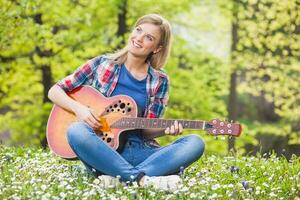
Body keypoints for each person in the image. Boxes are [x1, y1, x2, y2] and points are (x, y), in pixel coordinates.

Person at [48, 13, 205, 191]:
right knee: (76, 130)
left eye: (148, 37)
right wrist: (79, 109)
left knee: (195, 143)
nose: (139, 38)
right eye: (138, 30)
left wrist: (165, 129)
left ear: (157, 48)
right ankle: (143, 180)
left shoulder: (160, 80)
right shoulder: (102, 64)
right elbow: (55, 91)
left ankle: (119, 177)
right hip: (103, 150)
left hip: (142, 152)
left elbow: (146, 131)